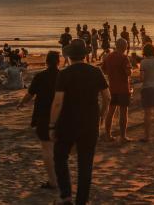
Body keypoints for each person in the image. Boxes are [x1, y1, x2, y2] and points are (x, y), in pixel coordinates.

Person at [49, 38, 110, 205]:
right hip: (90, 123)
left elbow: (58, 102)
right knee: (85, 164)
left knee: (60, 157)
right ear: (85, 54)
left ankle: (66, 196)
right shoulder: (95, 72)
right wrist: (102, 116)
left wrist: (52, 124)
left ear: (69, 55)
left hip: (67, 123)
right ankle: (81, 201)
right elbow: (107, 97)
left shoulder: (64, 74)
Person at [17, 51, 60, 190]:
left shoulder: (40, 76)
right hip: (61, 116)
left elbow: (30, 94)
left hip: (43, 115)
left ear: (46, 62)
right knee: (58, 150)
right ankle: (60, 178)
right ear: (58, 62)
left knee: (47, 148)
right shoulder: (63, 76)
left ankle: (53, 181)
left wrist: (21, 103)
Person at [102, 38, 132, 143]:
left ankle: (107, 135)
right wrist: (130, 70)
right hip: (123, 88)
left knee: (110, 112)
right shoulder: (124, 58)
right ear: (124, 47)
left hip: (112, 88)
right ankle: (123, 136)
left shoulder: (108, 57)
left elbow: (104, 71)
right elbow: (128, 73)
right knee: (123, 112)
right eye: (126, 46)